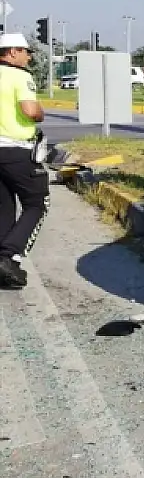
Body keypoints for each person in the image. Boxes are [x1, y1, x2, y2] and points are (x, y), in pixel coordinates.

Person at [0, 33, 48, 289]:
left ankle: (3, 262)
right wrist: (40, 112)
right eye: (26, 51)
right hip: (16, 150)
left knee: (4, 208)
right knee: (37, 204)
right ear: (12, 52)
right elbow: (30, 111)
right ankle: (9, 256)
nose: (29, 57)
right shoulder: (20, 76)